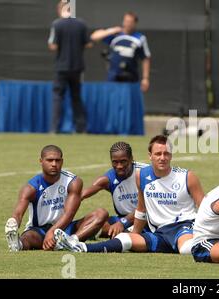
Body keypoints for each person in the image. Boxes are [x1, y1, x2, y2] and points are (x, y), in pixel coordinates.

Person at [54, 135, 205, 255]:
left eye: (166, 153)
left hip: (181, 227)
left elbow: (205, 209)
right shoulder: (143, 176)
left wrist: (125, 224)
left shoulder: (187, 176)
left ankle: (217, 243)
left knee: (186, 250)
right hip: (158, 232)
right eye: (158, 154)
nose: (162, 157)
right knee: (124, 238)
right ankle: (81, 247)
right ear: (150, 156)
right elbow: (141, 209)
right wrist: (135, 234)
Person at [4, 145, 108, 251]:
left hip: (65, 227)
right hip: (40, 231)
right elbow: (18, 213)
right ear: (41, 161)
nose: (54, 164)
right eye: (50, 160)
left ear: (62, 161)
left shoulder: (73, 182)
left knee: (101, 214)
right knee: (28, 237)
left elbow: (69, 214)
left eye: (57, 160)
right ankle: (18, 244)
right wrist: (13, 223)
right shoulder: (31, 187)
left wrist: (52, 232)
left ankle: (71, 242)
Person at [80, 141, 149, 238]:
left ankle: (126, 233)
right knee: (98, 222)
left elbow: (147, 208)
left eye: (123, 161)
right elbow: (82, 195)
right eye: (115, 162)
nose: (119, 166)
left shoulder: (145, 173)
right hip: (124, 218)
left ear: (131, 159)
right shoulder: (109, 178)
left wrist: (122, 223)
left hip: (146, 217)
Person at [48, 1, 92, 133]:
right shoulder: (81, 24)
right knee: (76, 98)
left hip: (61, 67)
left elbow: (53, 45)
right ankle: (81, 129)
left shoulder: (57, 24)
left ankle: (54, 129)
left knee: (57, 97)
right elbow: (88, 44)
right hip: (77, 67)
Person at [90, 12, 151, 92]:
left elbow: (146, 58)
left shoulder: (140, 38)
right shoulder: (116, 35)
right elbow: (94, 37)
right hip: (114, 74)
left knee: (128, 98)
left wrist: (145, 78)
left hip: (131, 76)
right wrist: (111, 30)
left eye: (130, 22)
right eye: (126, 21)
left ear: (135, 23)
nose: (127, 24)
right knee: (112, 97)